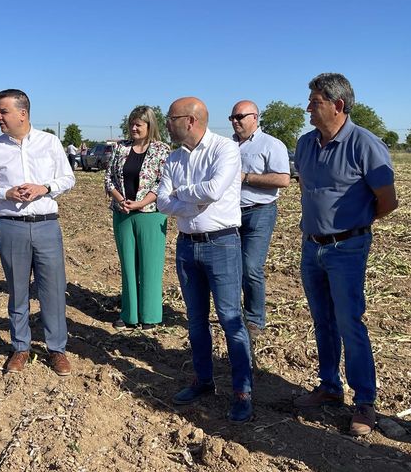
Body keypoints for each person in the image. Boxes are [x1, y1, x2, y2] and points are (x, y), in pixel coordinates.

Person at [292, 73, 398, 437]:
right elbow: (307, 187)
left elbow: (388, 200)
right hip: (312, 245)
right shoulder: (305, 144)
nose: (308, 107)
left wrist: (353, 226)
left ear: (337, 105)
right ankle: (329, 386)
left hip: (347, 248)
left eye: (315, 101)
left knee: (350, 323)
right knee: (322, 320)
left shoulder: (365, 144)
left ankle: (365, 401)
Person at [156, 97, 254, 423]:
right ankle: (203, 380)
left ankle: (242, 391)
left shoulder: (225, 149)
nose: (166, 123)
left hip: (221, 243)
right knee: (196, 320)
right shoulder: (173, 157)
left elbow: (212, 190)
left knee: (230, 318)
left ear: (191, 121)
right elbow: (161, 202)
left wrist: (181, 195)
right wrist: (191, 202)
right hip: (187, 245)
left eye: (171, 118)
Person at [0, 89, 76, 376]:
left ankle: (56, 349)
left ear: (23, 113)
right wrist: (4, 192)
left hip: (46, 224)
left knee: (53, 289)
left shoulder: (49, 142)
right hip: (10, 226)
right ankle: (21, 347)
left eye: (3, 111)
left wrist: (44, 187)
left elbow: (68, 178)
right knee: (17, 290)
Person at [104, 105, 170, 330]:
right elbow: (108, 178)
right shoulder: (119, 148)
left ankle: (150, 316)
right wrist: (119, 199)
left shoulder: (162, 150)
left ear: (149, 126)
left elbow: (163, 183)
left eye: (138, 124)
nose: (133, 127)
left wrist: (141, 202)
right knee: (128, 266)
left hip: (151, 215)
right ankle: (129, 315)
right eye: (131, 123)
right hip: (122, 213)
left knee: (150, 267)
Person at [229, 100, 290, 340]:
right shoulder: (227, 146)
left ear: (255, 117)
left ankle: (254, 319)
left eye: (240, 117)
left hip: (259, 211)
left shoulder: (272, 145)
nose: (235, 121)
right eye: (232, 118)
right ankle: (234, 315)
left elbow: (283, 180)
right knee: (232, 268)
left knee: (251, 266)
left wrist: (246, 177)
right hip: (231, 213)